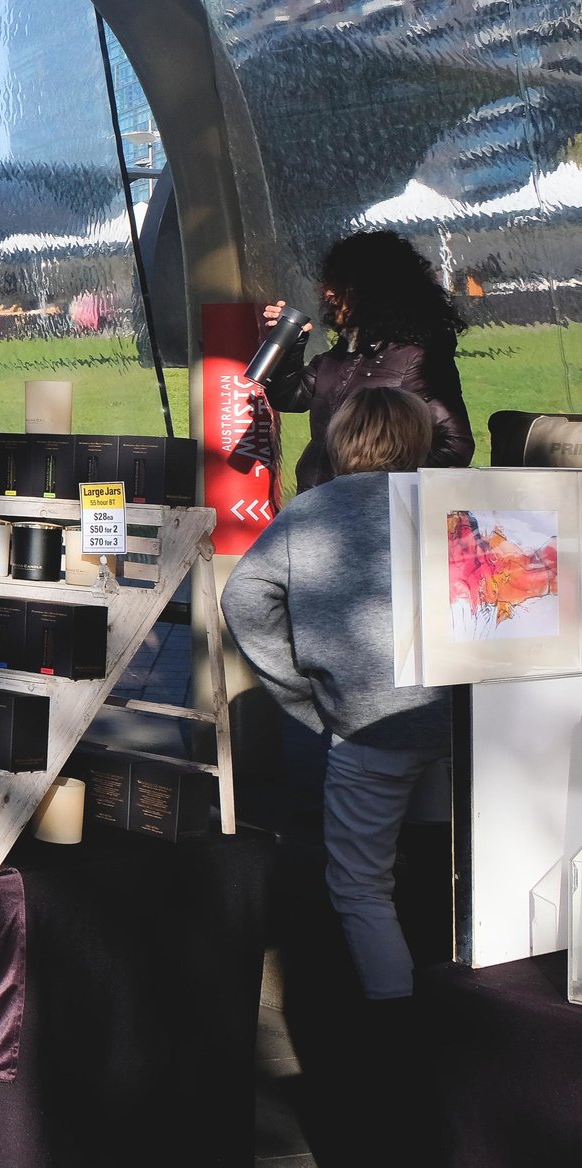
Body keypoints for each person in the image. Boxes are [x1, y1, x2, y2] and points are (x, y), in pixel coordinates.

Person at [222, 387, 452, 1007]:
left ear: (338, 441)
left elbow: (242, 598)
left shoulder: (312, 512)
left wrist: (301, 693)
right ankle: (454, 988)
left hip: (369, 728)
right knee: (448, 859)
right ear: (419, 441)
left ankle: (395, 1020)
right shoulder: (451, 504)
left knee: (359, 885)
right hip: (463, 724)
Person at [263, 228, 473, 492]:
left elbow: (456, 444)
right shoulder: (342, 352)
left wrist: (382, 484)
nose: (327, 292)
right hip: (321, 501)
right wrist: (291, 345)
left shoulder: (417, 358)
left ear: (373, 290)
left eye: (339, 284)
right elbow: (289, 397)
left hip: (374, 511)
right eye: (327, 282)